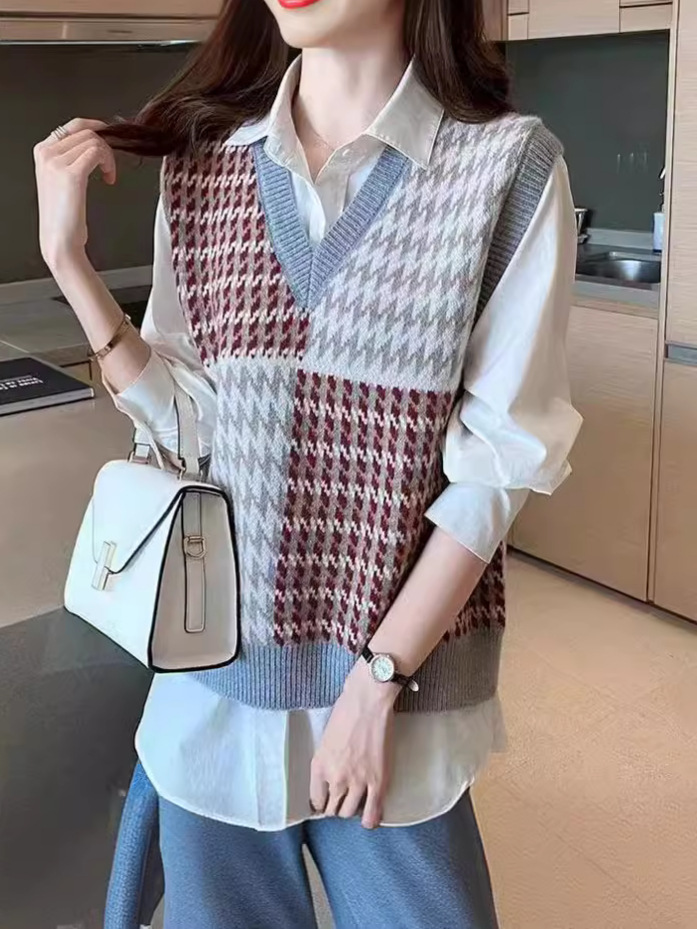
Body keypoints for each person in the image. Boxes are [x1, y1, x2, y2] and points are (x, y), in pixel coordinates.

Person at [34, 0, 581, 926]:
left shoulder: (504, 168)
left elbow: (495, 472)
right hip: (215, 682)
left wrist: (376, 683)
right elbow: (191, 426)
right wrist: (70, 266)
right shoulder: (203, 167)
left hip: (395, 700)